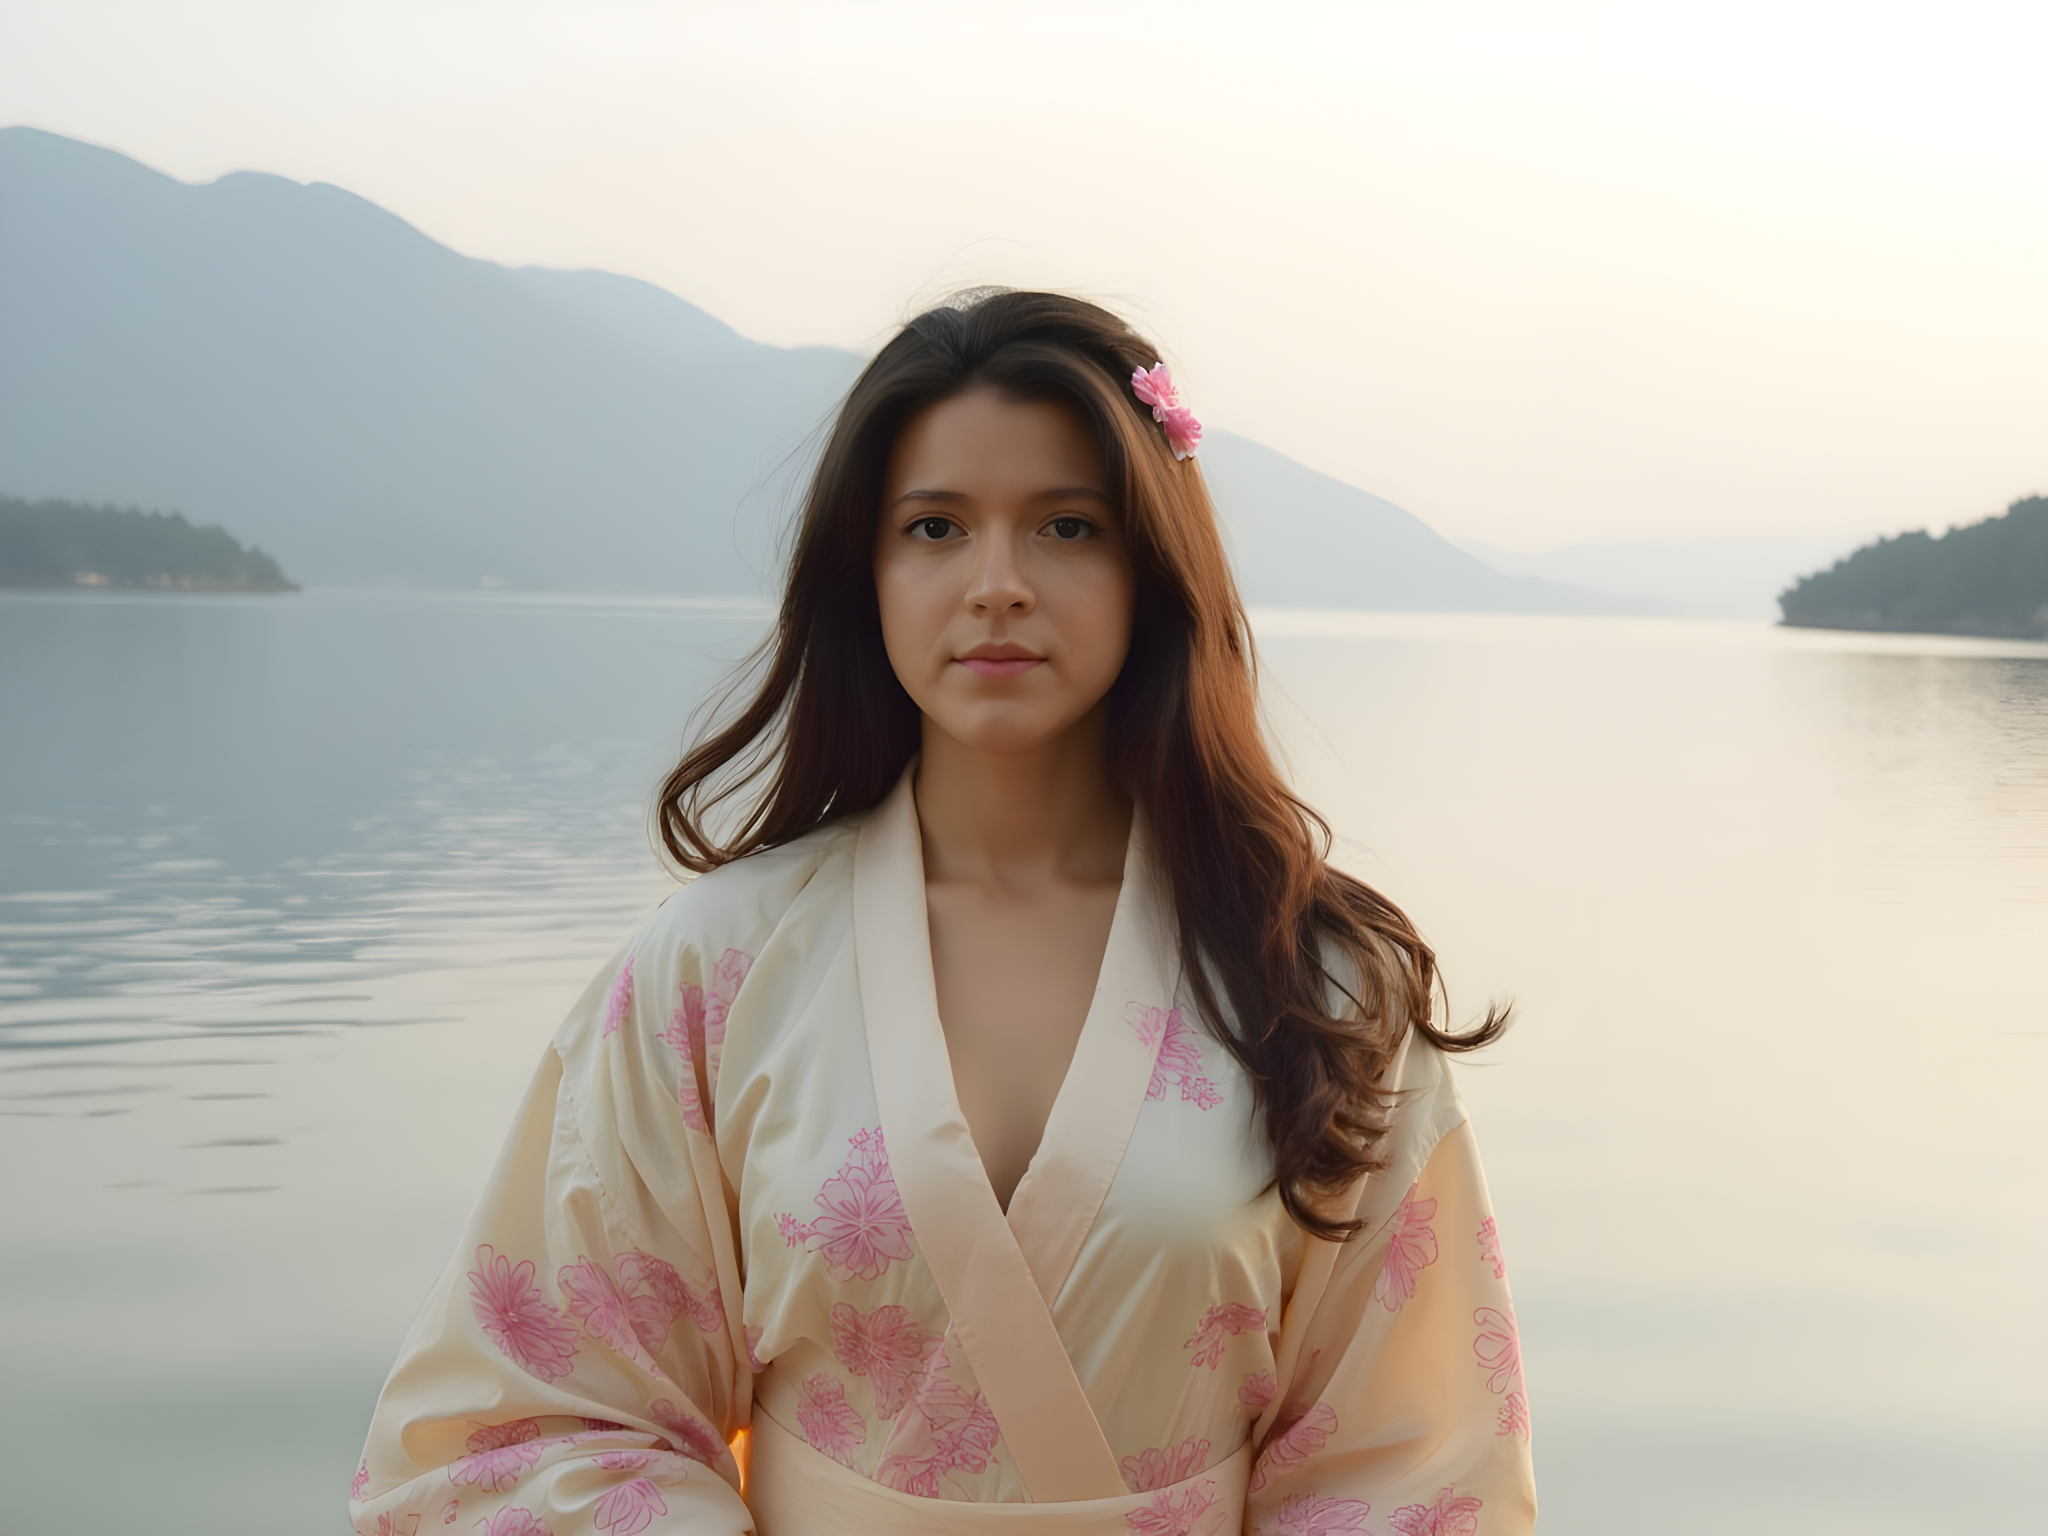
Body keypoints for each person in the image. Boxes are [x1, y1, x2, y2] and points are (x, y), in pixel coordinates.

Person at [349, 290, 1536, 1535]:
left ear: (1150, 569)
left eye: (1066, 527)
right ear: (865, 576)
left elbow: (1414, 1466)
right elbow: (539, 1422)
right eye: (934, 528)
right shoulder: (721, 968)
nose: (997, 585)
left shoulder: (1315, 985)